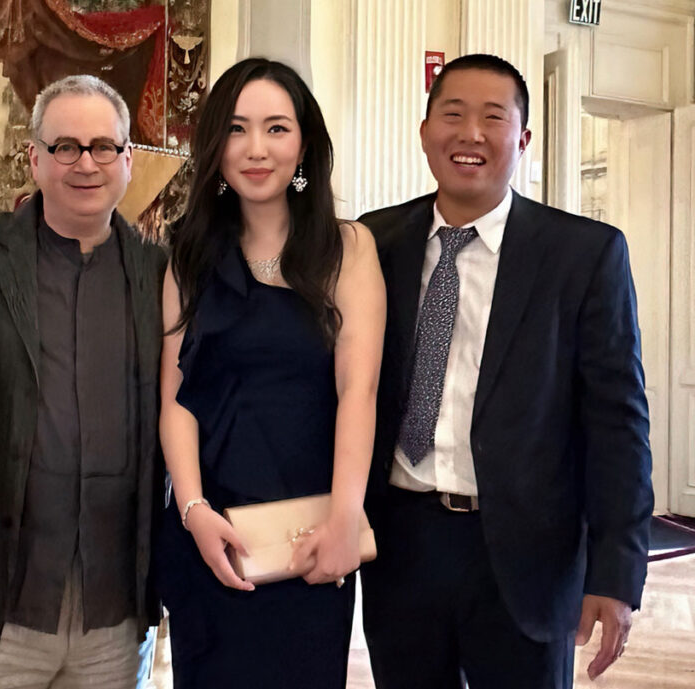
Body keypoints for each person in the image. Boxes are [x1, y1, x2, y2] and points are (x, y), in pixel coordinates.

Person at [357, 53, 654, 689]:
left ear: (521, 140)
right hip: (401, 544)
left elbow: (617, 424)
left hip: (527, 557)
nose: (470, 134)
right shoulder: (372, 243)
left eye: (493, 118)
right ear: (425, 132)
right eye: (453, 115)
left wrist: (616, 571)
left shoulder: (583, 255)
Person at [0, 75, 166, 689]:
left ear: (127, 159)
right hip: (7, 603)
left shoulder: (160, 273)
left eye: (102, 147)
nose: (85, 163)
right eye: (65, 146)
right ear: (34, 157)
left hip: (113, 609)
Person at [158, 57, 386, 688]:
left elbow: (357, 390)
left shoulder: (348, 248)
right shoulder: (189, 254)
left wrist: (346, 516)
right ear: (215, 146)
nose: (256, 149)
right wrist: (195, 511)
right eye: (236, 129)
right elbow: (176, 399)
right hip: (215, 532)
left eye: (276, 128)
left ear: (304, 143)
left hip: (310, 533)